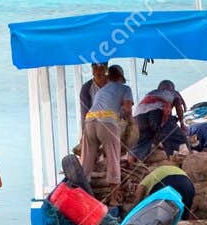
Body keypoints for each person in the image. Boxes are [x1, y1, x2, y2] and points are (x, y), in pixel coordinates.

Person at [80, 63, 133, 191]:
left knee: (86, 162)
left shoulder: (101, 90)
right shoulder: (125, 89)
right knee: (113, 158)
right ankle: (114, 198)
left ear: (109, 77)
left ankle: (82, 190)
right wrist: (130, 121)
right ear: (121, 78)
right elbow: (127, 110)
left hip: (89, 122)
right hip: (107, 123)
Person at [132, 79, 187, 159]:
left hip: (138, 117)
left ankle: (133, 158)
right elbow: (179, 108)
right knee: (178, 137)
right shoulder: (173, 92)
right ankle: (177, 156)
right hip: (155, 113)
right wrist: (182, 124)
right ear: (171, 88)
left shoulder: (151, 93)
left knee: (144, 141)